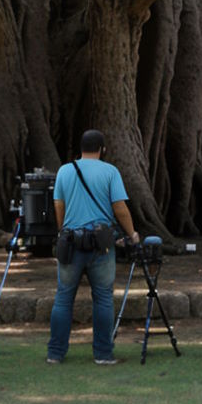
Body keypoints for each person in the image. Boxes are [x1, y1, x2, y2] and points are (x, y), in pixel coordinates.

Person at [48, 128, 138, 365]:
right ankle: (103, 353)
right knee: (103, 298)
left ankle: (55, 353)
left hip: (69, 243)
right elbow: (120, 208)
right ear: (102, 149)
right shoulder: (110, 172)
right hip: (101, 246)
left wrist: (62, 230)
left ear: (81, 148)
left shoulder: (65, 171)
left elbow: (58, 205)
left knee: (64, 298)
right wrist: (132, 234)